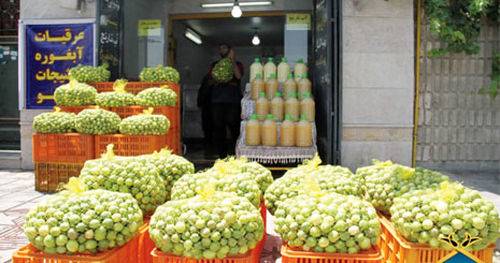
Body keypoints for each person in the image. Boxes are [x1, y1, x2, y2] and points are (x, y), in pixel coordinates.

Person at [209, 43, 244, 158]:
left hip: (232, 100)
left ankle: (235, 152)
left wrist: (232, 60)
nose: (222, 50)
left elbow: (238, 76)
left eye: (224, 48)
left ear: (230, 50)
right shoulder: (215, 64)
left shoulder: (238, 64)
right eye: (220, 48)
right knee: (219, 127)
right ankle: (222, 154)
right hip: (217, 100)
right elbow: (210, 80)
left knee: (234, 126)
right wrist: (219, 78)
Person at [197, 72, 214, 158]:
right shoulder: (208, 79)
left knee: (209, 131)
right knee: (209, 131)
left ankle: (209, 151)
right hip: (208, 108)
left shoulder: (208, 79)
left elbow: (201, 95)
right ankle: (209, 151)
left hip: (209, 108)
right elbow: (202, 94)